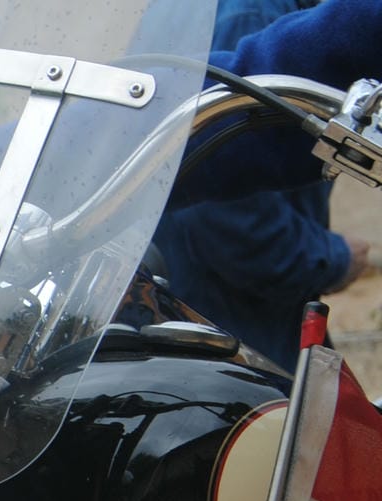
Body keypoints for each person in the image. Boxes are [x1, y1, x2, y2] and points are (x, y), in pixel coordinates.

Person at [154, 0, 369, 372]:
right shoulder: (251, 15)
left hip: (206, 301)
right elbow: (230, 221)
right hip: (233, 317)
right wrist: (332, 259)